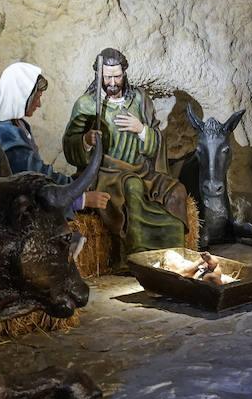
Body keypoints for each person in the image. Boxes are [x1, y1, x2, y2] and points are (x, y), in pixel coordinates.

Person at [62, 48, 188, 254]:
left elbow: (157, 140)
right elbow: (70, 146)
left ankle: (172, 251)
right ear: (99, 76)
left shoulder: (139, 100)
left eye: (117, 76)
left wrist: (142, 130)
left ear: (125, 74)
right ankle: (138, 254)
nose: (112, 82)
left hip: (143, 170)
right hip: (107, 173)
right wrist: (86, 140)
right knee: (132, 186)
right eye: (107, 77)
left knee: (176, 191)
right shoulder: (86, 104)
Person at [0, 62, 109, 212]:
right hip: (14, 213)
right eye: (36, 97)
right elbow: (33, 179)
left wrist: (71, 182)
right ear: (22, 97)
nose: (38, 104)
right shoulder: (2, 133)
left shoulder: (19, 125)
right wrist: (80, 197)